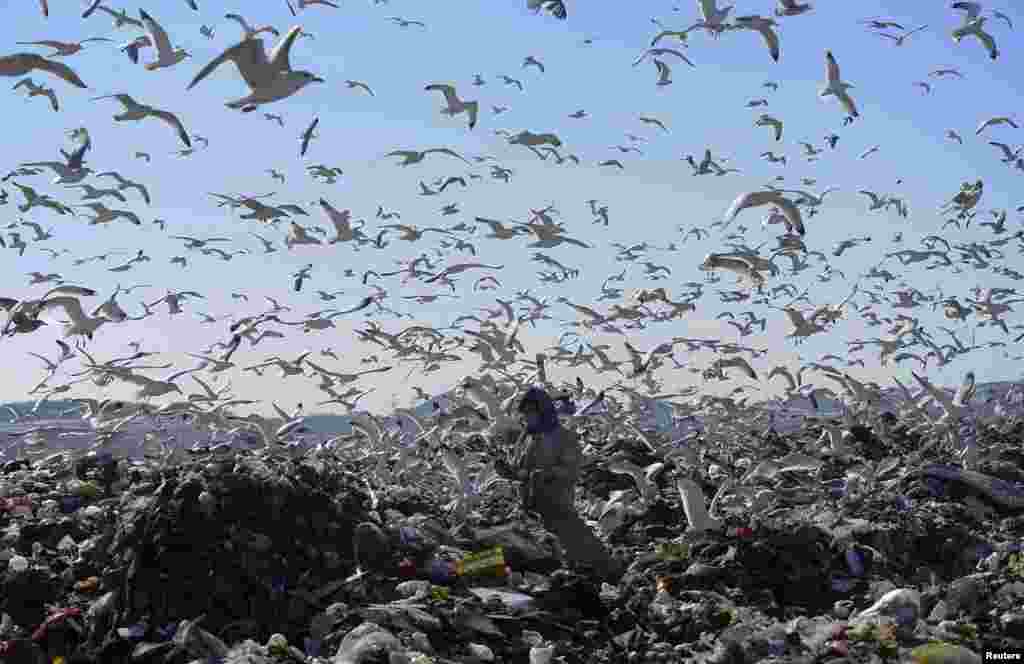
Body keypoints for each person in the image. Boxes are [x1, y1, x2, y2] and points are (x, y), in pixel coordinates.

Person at [495, 386, 620, 580]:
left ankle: (599, 577)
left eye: (530, 413)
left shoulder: (564, 437)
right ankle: (461, 569)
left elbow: (572, 470)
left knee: (577, 554)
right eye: (524, 414)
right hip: (528, 508)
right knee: (511, 548)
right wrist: (508, 471)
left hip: (557, 509)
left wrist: (546, 473)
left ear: (543, 412)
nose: (526, 418)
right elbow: (520, 470)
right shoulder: (525, 437)